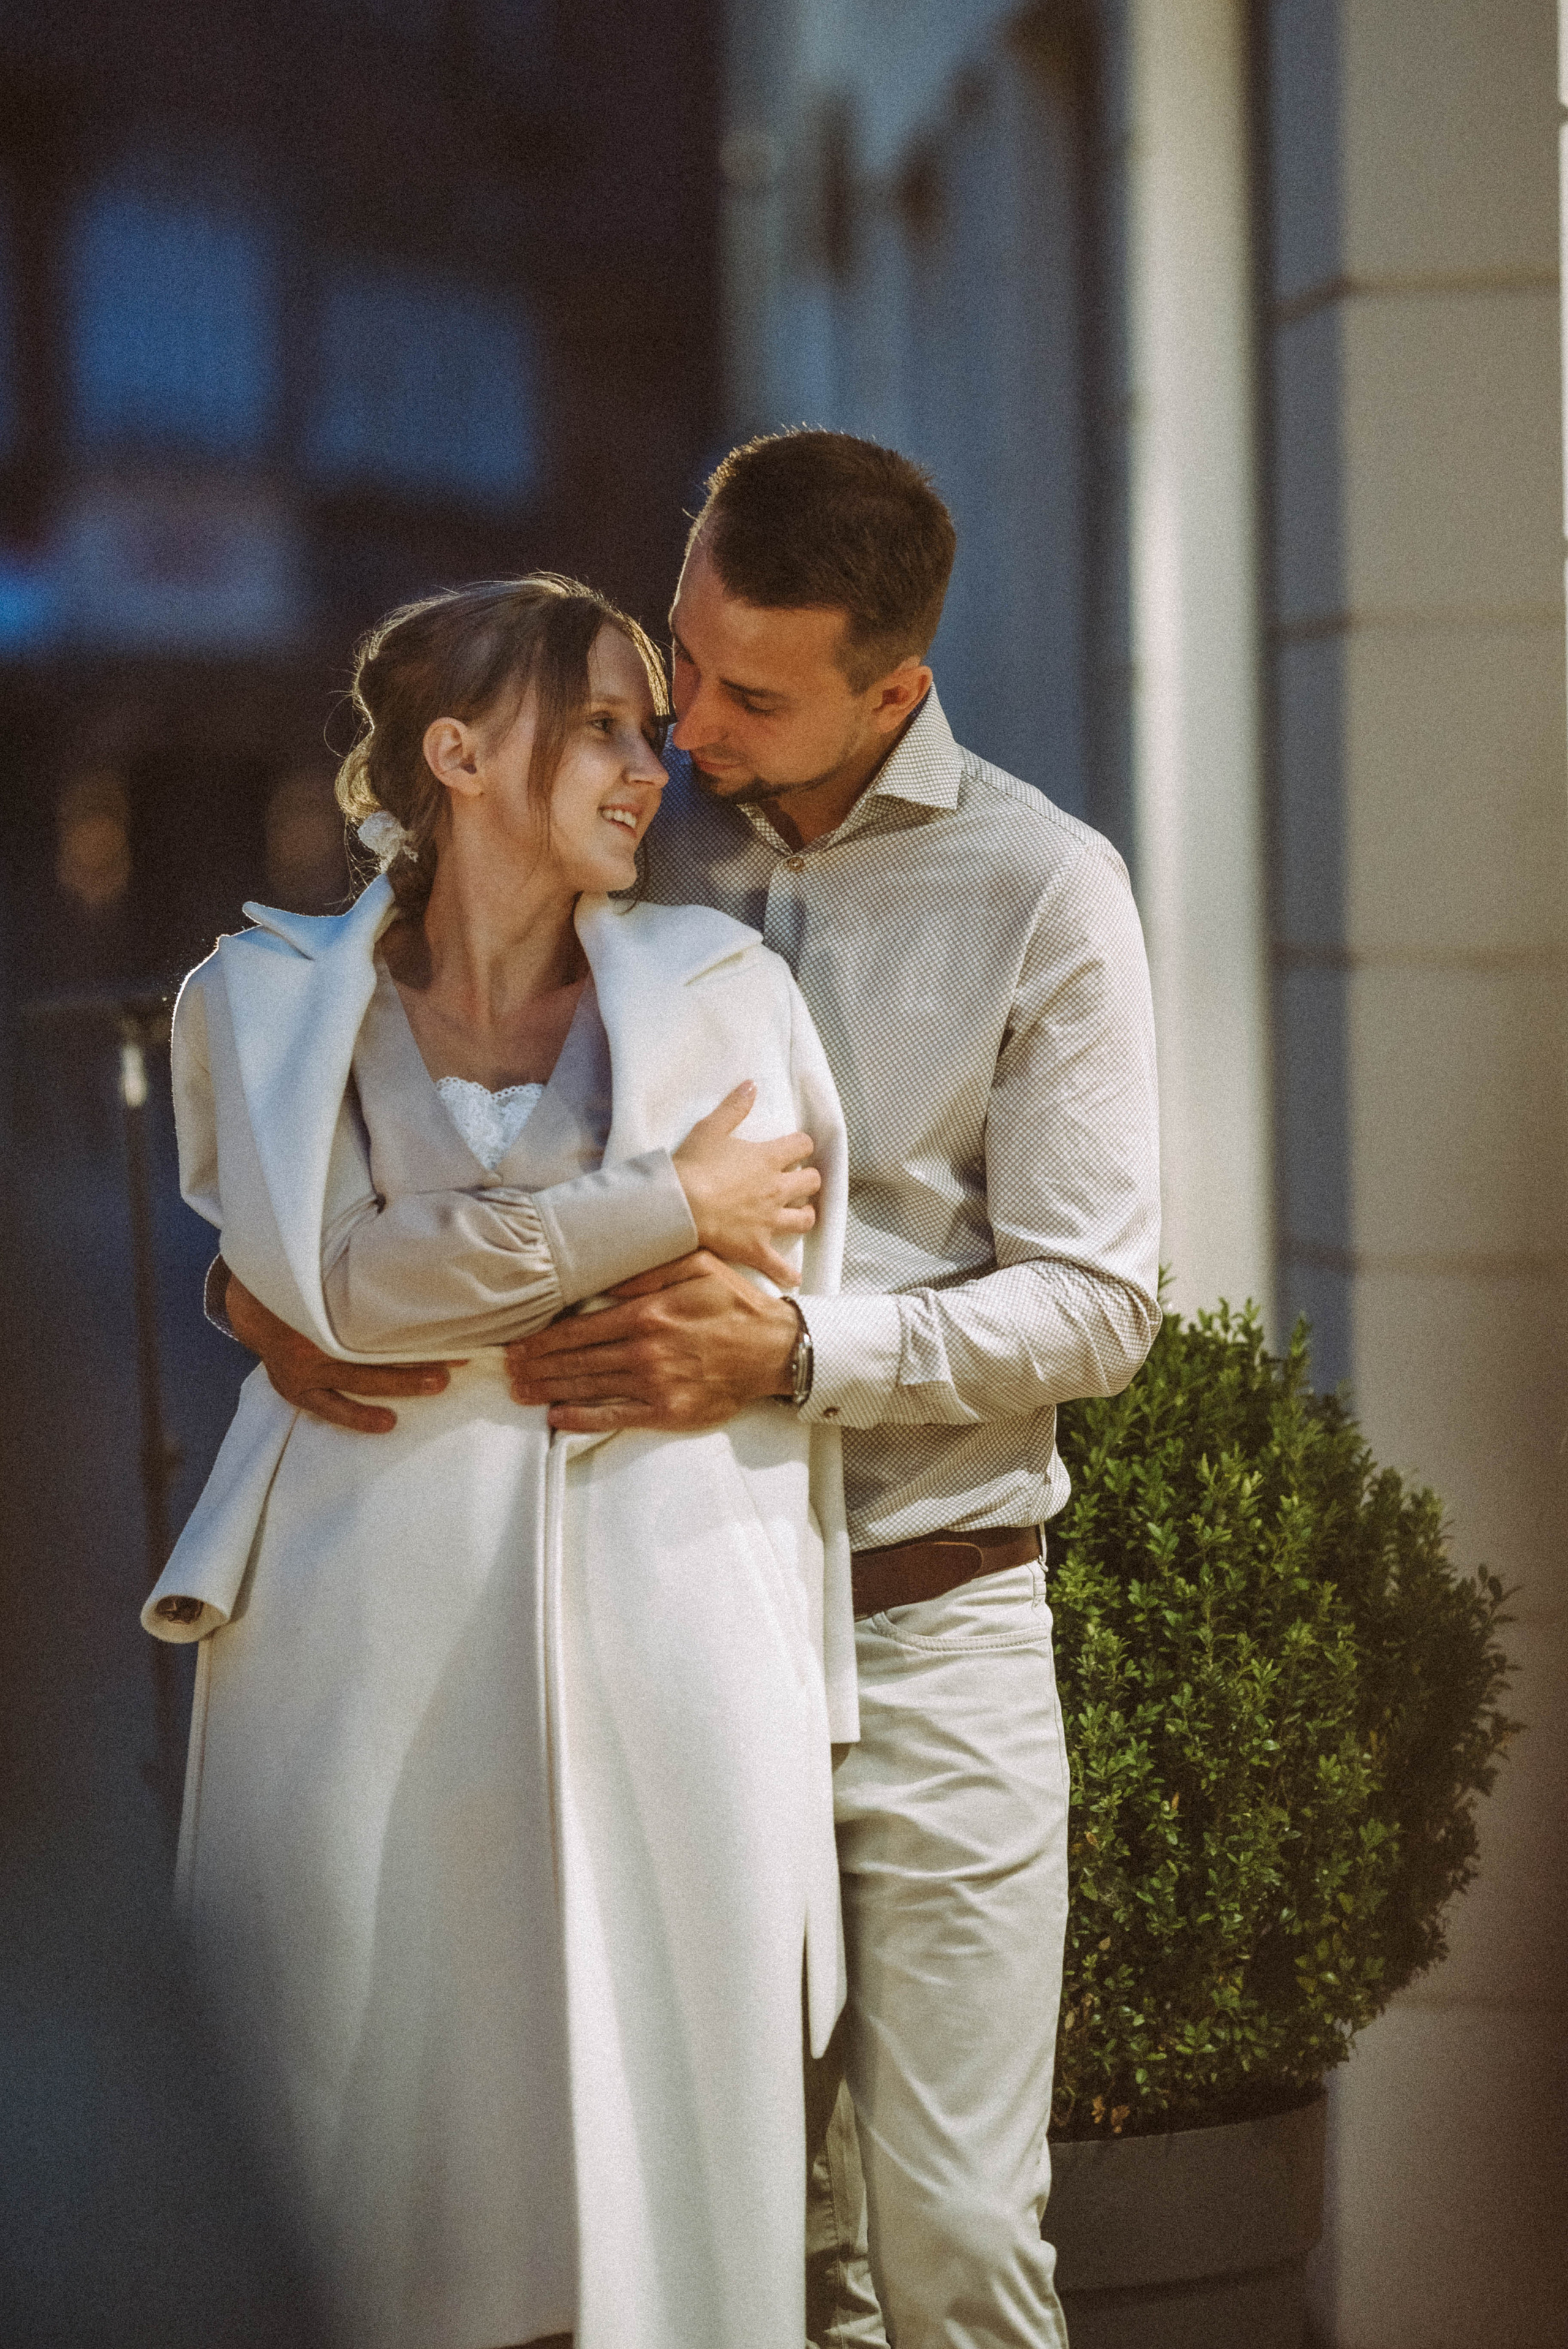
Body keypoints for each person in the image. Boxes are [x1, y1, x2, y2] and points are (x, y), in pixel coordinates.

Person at [225, 433, 1163, 2349]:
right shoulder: (625, 814)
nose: (687, 725)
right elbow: (393, 1109)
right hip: (667, 1614)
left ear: (891, 690)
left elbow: (1096, 1305)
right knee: (735, 2253)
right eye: (680, 652)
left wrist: (796, 1353)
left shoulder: (1045, 888)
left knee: (959, 2239)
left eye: (750, 693)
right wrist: (268, 1288)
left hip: (925, 1619)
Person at [142, 574, 860, 2349]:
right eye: (602, 723)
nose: (650, 762)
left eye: (647, 725)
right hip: (355, 1649)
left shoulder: (725, 988)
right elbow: (342, 1281)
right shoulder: (262, 997)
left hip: (665, 1626)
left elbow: (746, 1287)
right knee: (369, 2157)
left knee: (663, 2160)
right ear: (456, 754)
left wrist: (383, 1272)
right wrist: (656, 1203)